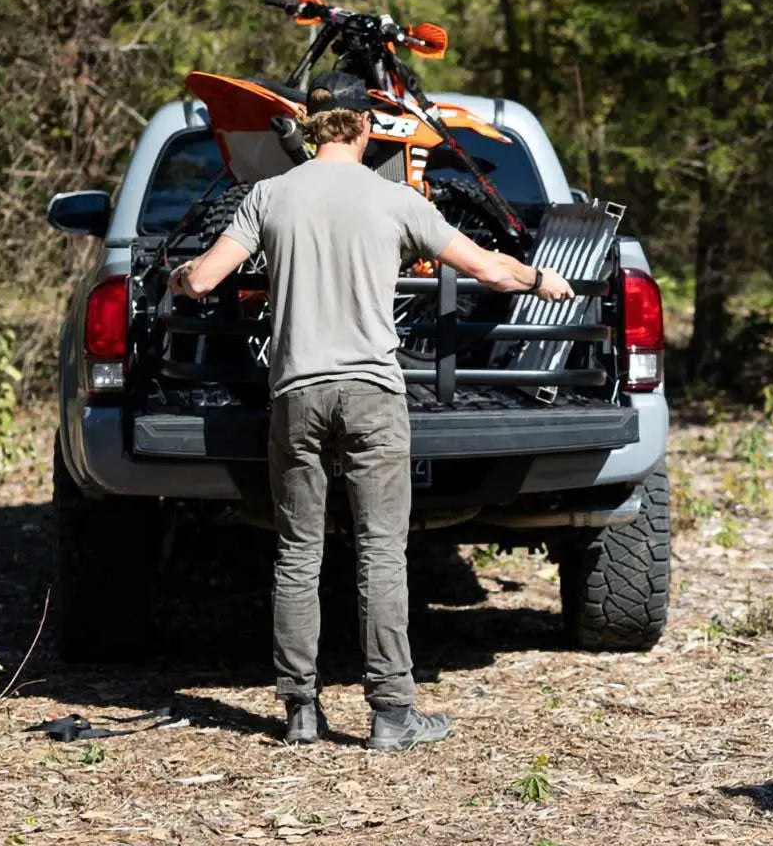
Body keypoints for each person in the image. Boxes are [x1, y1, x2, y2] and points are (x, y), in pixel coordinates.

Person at [168, 70, 573, 751]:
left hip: (295, 393)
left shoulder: (267, 195)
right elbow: (488, 269)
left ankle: (299, 710)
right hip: (372, 395)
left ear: (308, 125)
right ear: (363, 127)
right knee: (381, 552)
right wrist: (540, 277)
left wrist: (180, 277)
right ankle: (392, 714)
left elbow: (206, 278)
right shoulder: (396, 201)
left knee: (298, 552)